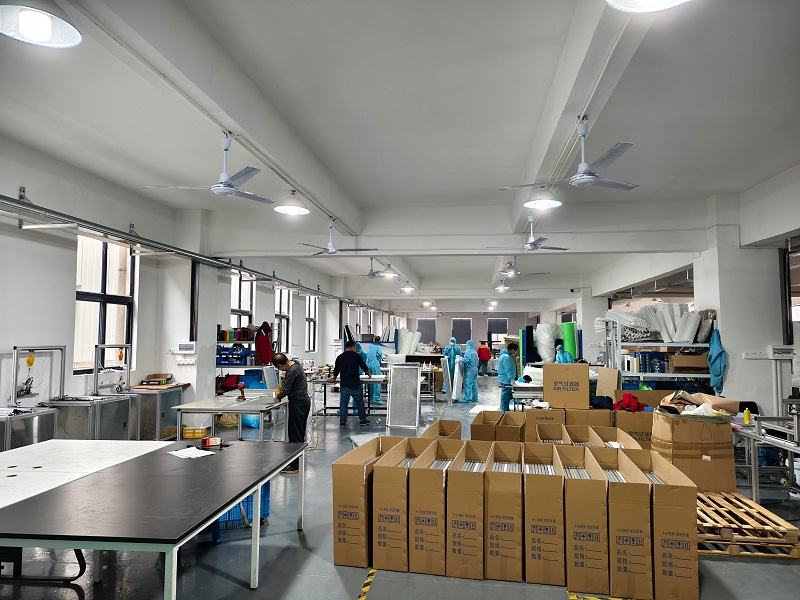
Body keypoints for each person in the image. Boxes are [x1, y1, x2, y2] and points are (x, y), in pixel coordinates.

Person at [272, 353, 311, 474]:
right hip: (303, 402)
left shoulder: (291, 371)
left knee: (295, 435)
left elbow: (286, 389)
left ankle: (294, 466)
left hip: (298, 403)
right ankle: (298, 461)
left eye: (279, 368)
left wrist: (277, 397)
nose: (280, 371)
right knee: (299, 434)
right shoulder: (296, 365)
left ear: (280, 365)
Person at [328, 340, 372, 427]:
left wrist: (334, 378)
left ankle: (342, 422)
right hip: (355, 385)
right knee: (360, 403)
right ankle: (362, 420)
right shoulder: (357, 356)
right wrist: (368, 373)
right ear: (352, 347)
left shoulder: (340, 357)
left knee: (343, 404)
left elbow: (336, 369)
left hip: (344, 385)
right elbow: (364, 366)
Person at [497, 342, 519, 413]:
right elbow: (508, 369)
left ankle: (504, 410)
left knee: (505, 396)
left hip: (504, 379)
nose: (515, 352)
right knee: (505, 397)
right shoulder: (506, 357)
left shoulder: (504, 356)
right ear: (512, 349)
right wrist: (511, 379)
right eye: (515, 350)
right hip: (506, 380)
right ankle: (504, 411)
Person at [366, 337, 384, 405]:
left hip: (368, 364)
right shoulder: (378, 347)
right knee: (377, 381)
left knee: (370, 382)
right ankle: (377, 398)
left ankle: (371, 398)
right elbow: (379, 354)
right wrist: (380, 360)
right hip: (375, 364)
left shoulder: (370, 347)